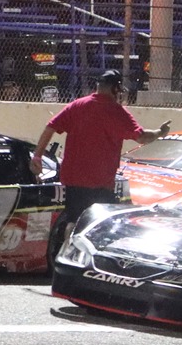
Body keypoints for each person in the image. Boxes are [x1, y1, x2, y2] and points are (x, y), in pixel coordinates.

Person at [32, 70, 167, 253]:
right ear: (116, 88)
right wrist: (160, 133)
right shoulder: (117, 112)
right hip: (101, 182)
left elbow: (51, 127)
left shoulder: (77, 106)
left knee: (74, 220)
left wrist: (38, 155)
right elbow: (142, 137)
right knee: (102, 224)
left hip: (73, 179)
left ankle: (68, 255)